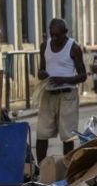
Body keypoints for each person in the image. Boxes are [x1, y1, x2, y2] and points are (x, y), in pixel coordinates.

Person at [36, 18, 87, 163]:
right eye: (52, 34)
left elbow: (83, 76)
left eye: (58, 35)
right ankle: (42, 169)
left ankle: (66, 169)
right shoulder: (44, 46)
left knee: (67, 136)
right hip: (48, 94)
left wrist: (64, 80)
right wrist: (42, 74)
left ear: (66, 33)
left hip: (67, 95)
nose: (54, 38)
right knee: (41, 133)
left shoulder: (73, 47)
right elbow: (41, 69)